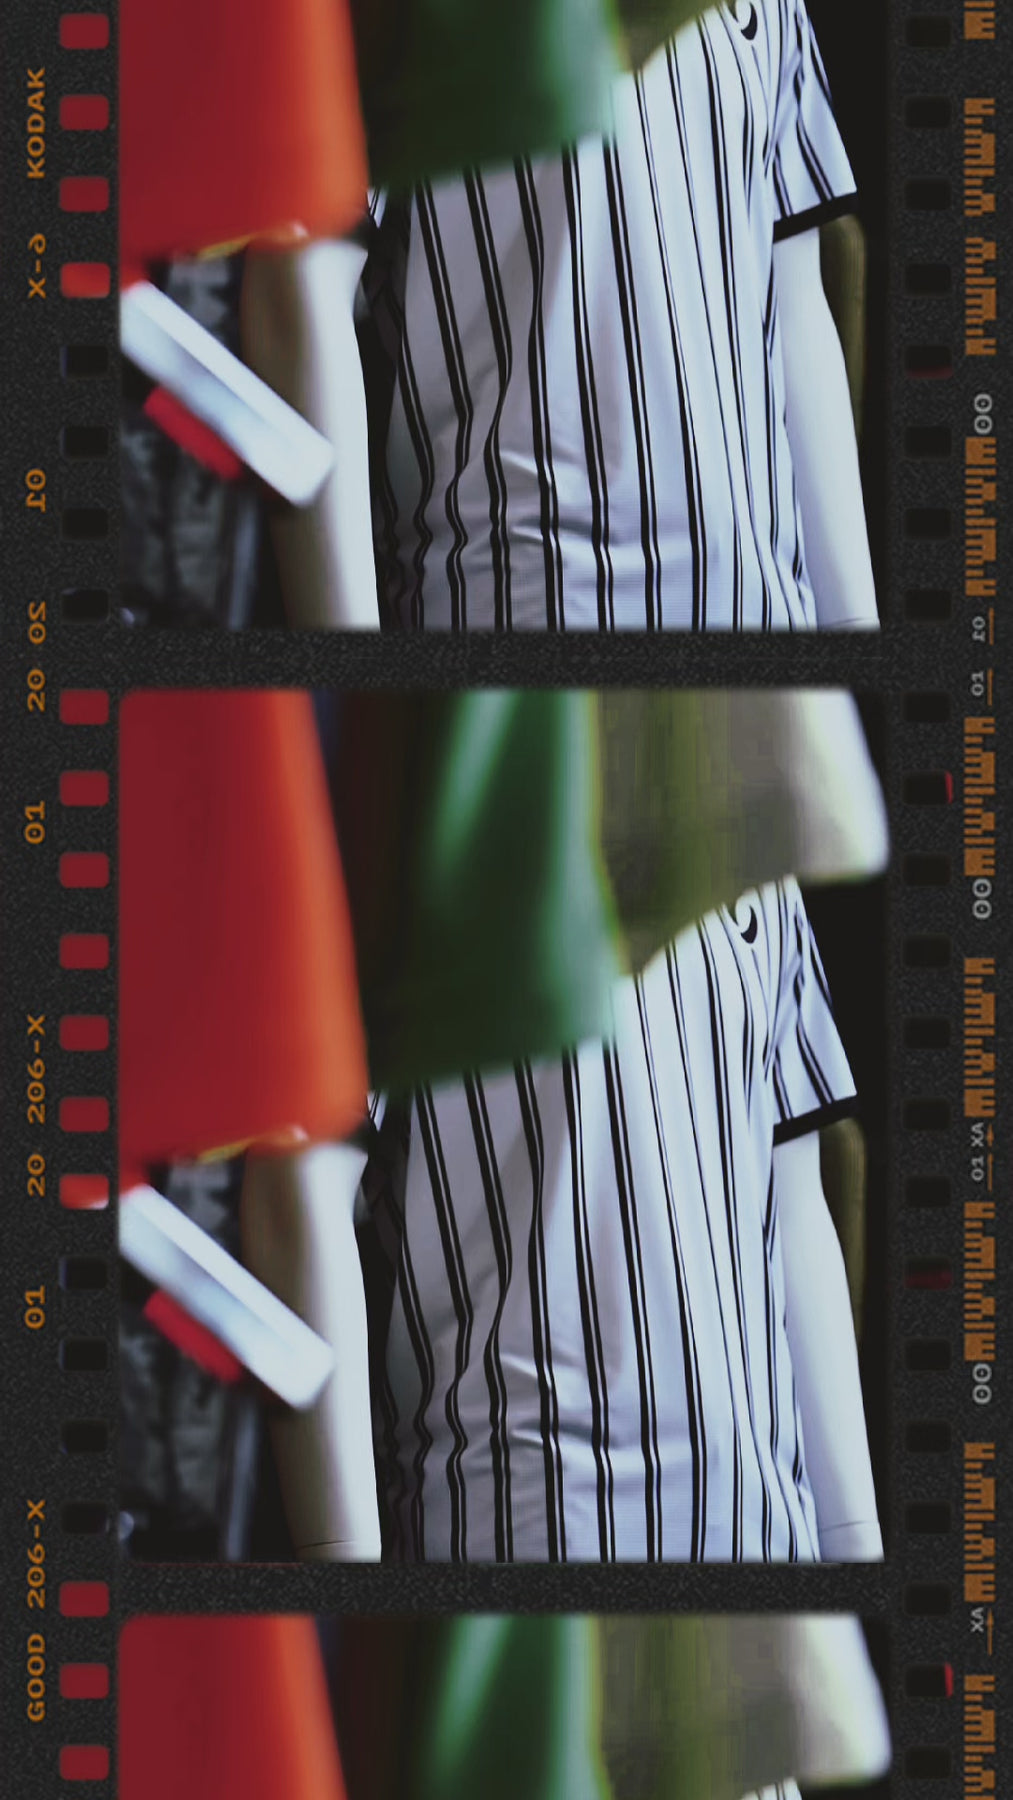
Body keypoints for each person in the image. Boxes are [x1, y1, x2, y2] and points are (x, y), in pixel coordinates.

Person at [368, 877, 882, 1562]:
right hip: (519, 1513)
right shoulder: (408, 839)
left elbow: (795, 1198)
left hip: (759, 1526)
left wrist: (854, 1545)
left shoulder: (763, 858)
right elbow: (303, 1191)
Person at [343, 0, 880, 630]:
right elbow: (303, 291)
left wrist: (852, 633)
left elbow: (794, 293)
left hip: (762, 609)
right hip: (523, 597)